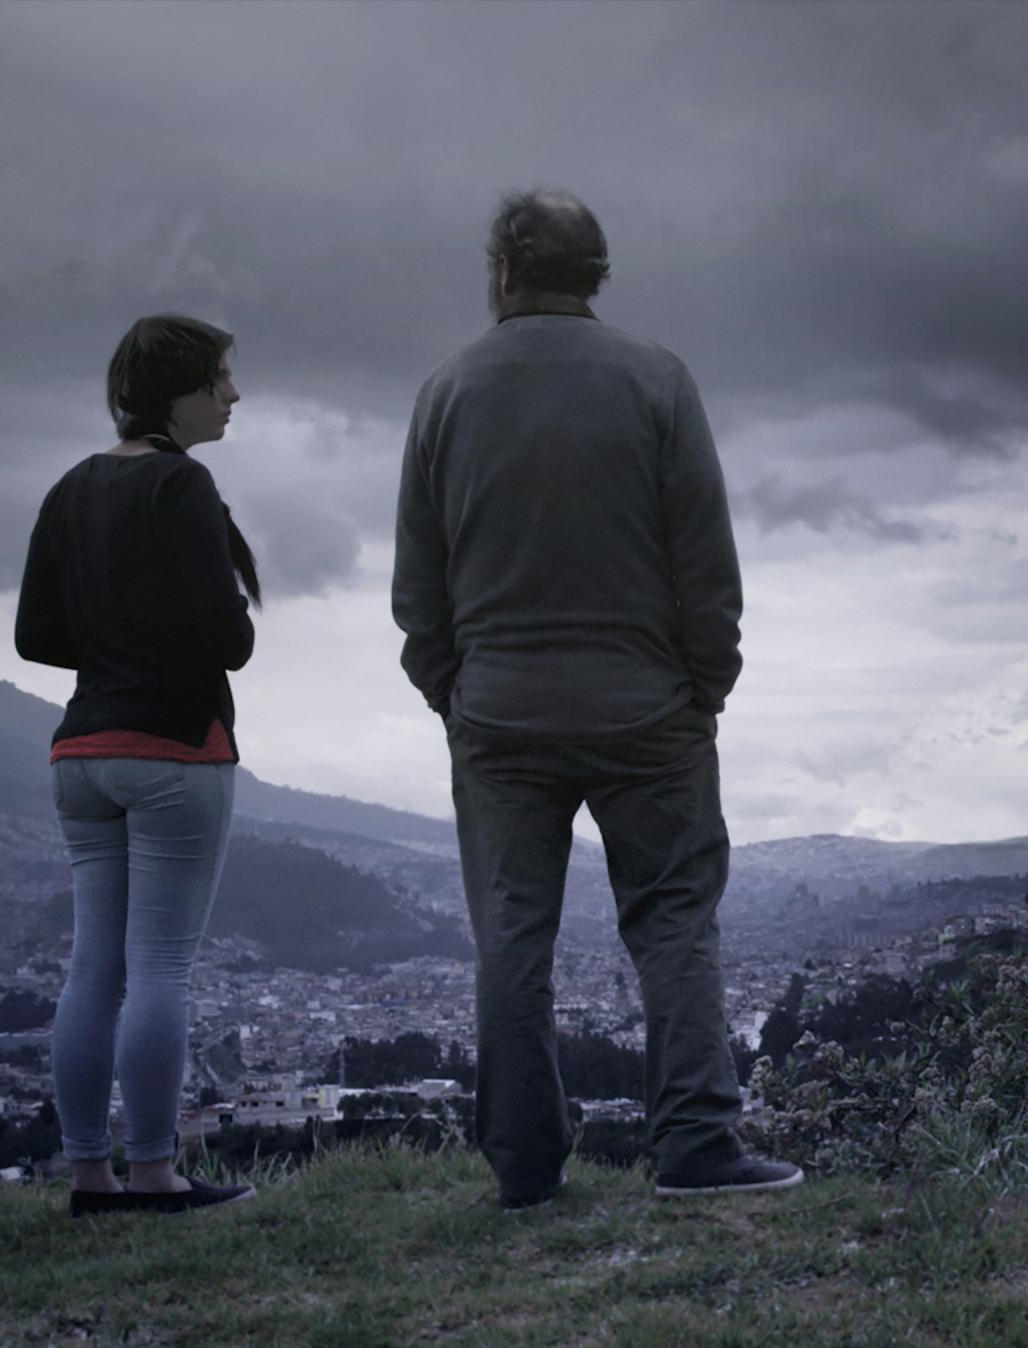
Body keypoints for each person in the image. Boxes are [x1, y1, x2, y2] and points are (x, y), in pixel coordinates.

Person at [393, 189, 802, 1208]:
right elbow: (706, 564)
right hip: (646, 708)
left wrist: (454, 689)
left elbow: (418, 587)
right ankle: (698, 1146)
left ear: (501, 272)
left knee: (511, 931)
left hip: (498, 710)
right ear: (599, 275)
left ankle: (525, 1166)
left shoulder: (445, 393)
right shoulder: (658, 380)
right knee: (671, 917)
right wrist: (703, 688)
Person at [16, 314, 261, 1217]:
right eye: (222, 379)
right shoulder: (182, 486)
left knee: (94, 969)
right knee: (161, 967)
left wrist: (114, 643)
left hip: (81, 751)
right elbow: (230, 642)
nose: (234, 395)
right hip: (175, 747)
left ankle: (90, 1174)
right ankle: (156, 1173)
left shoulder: (71, 487)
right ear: (181, 389)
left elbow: (34, 636)